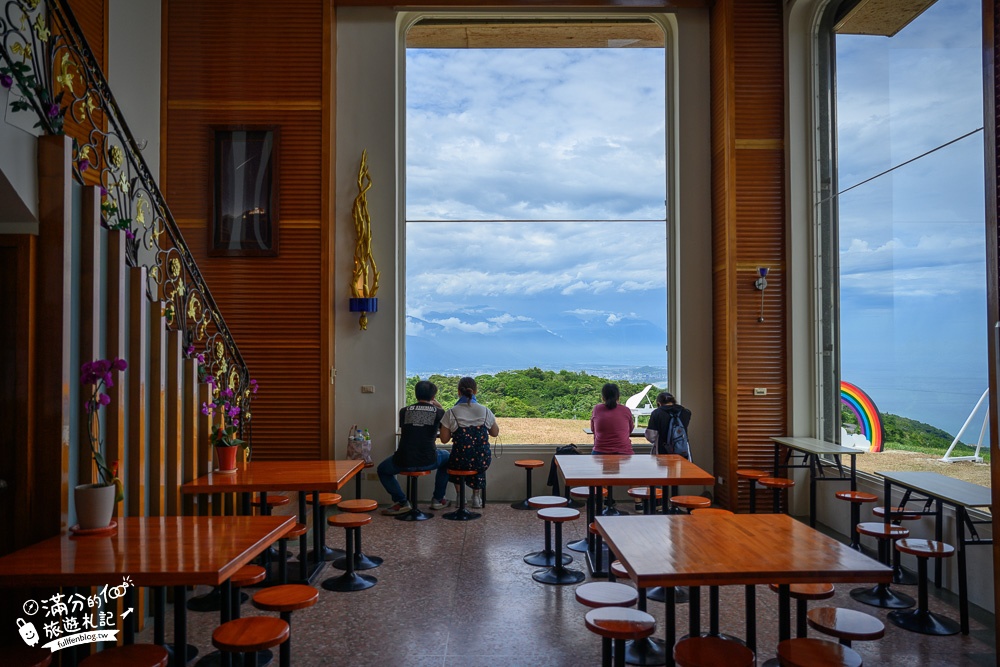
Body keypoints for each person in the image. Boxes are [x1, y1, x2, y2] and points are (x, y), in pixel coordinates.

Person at [378, 380, 452, 515]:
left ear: (416, 394)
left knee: (382, 470)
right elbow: (444, 430)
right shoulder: (439, 412)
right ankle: (438, 499)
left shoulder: (404, 411)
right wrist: (439, 406)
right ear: (433, 397)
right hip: (428, 460)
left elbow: (411, 430)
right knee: (447, 456)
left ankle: (402, 502)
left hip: (403, 460)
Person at [439, 376, 499, 509]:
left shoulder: (451, 412)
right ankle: (476, 497)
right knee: (478, 459)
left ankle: (460, 497)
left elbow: (444, 440)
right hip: (481, 459)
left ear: (458, 392)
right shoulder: (485, 411)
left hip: (460, 459)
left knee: (456, 460)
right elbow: (495, 433)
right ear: (475, 392)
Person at [590, 383, 635, 455]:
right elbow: (630, 429)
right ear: (618, 397)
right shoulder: (626, 410)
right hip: (624, 452)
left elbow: (593, 429)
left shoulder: (597, 409)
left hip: (600, 451)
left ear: (603, 397)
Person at [644, 392, 692, 459]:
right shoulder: (685, 412)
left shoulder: (657, 413)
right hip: (682, 450)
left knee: (665, 469)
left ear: (659, 403)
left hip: (663, 451)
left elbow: (651, 436)